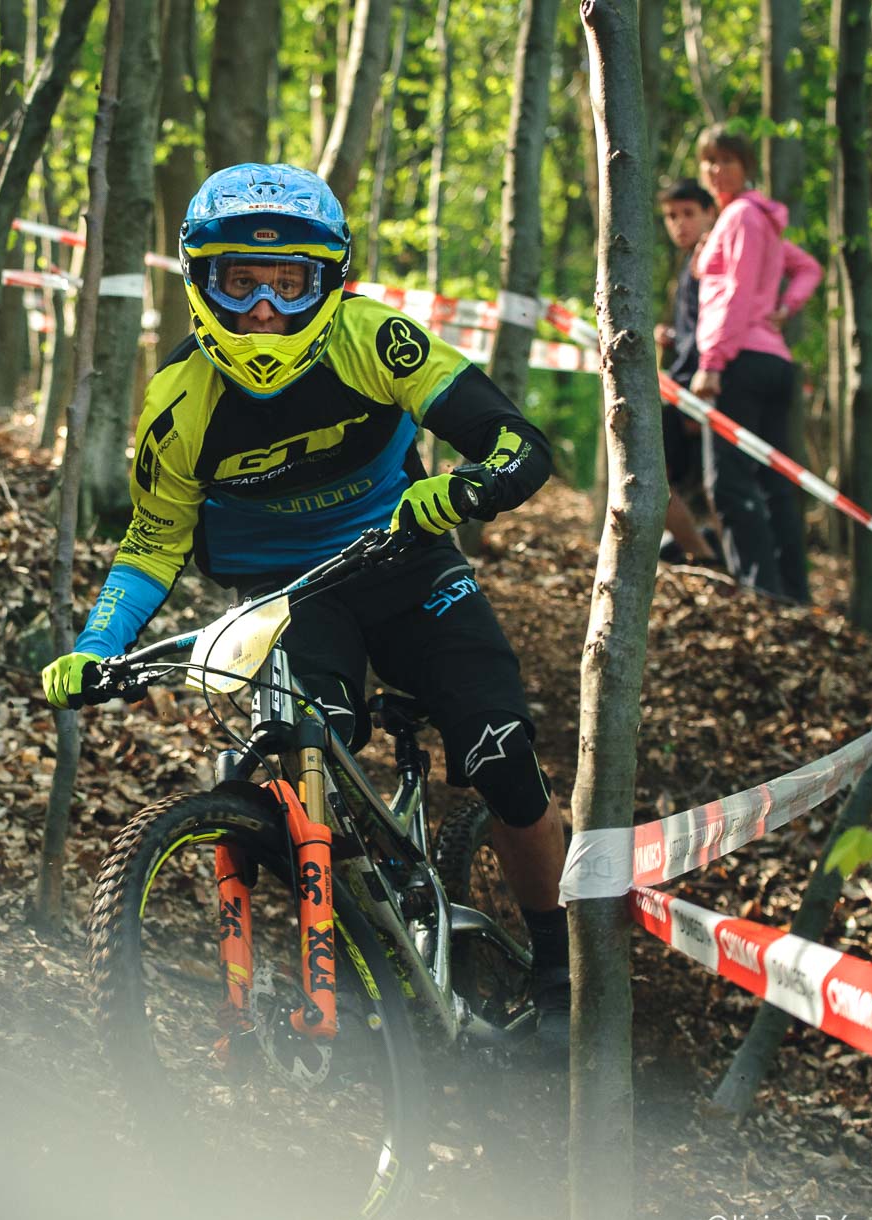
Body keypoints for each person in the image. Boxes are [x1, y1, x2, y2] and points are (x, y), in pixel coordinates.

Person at [37, 164, 573, 1051]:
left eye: (290, 285)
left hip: (407, 564)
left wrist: (469, 488)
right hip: (287, 599)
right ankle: (359, 970)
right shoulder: (178, 402)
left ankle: (561, 977)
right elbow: (150, 545)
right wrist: (97, 643)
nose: (262, 312)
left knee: (500, 751)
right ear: (199, 281)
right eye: (237, 281)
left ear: (330, 281)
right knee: (304, 758)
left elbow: (518, 441)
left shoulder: (376, 339)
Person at [690, 126, 823, 602]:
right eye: (709, 161)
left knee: (728, 481)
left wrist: (713, 361)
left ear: (746, 166)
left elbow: (736, 292)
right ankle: (790, 592)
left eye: (726, 160)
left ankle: (759, 592)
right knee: (773, 481)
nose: (715, 170)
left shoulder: (742, 217)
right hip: (770, 359)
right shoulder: (762, 221)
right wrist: (787, 307)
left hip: (741, 359)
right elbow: (808, 267)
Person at [655, 178, 723, 566]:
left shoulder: (712, 259)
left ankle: (708, 556)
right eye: (670, 216)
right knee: (662, 478)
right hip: (680, 387)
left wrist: (701, 394)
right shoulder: (690, 261)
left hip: (698, 391)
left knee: (654, 477)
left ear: (709, 213)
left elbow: (715, 327)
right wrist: (671, 338)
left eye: (688, 214)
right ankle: (703, 552)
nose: (679, 223)